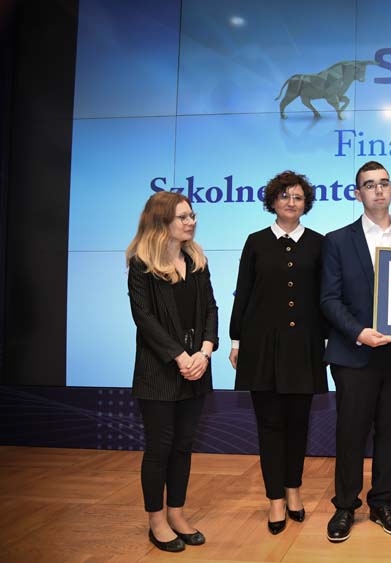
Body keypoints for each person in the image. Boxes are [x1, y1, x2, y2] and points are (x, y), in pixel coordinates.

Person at [320, 161, 391, 543]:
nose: (378, 190)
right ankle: (346, 506)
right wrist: (359, 332)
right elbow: (329, 300)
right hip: (354, 352)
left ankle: (382, 504)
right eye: (369, 185)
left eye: (383, 183)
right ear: (357, 193)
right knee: (351, 432)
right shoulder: (337, 240)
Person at [229, 170, 328, 535]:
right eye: (284, 196)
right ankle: (274, 498)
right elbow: (243, 292)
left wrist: (327, 339)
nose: (291, 202)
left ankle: (293, 491)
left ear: (306, 204)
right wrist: (236, 341)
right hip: (261, 347)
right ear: (272, 201)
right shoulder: (255, 241)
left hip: (304, 347)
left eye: (298, 197)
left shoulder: (319, 244)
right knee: (269, 425)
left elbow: (326, 297)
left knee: (298, 424)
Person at [126, 191, 218, 552]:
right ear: (161, 221)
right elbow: (144, 318)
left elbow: (210, 309)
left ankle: (177, 514)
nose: (191, 222)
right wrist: (180, 356)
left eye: (192, 215)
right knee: (159, 448)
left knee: (183, 446)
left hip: (197, 366)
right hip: (159, 371)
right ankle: (156, 520)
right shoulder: (141, 265)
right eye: (183, 217)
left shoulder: (196, 261)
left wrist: (205, 352)